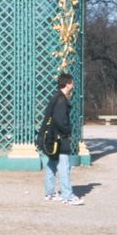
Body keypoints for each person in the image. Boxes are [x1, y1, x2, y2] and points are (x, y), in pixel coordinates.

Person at [41, 73, 84, 206]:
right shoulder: (61, 100)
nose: (73, 85)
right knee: (64, 167)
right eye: (72, 82)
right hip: (59, 139)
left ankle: (50, 193)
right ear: (68, 84)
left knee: (52, 164)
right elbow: (61, 121)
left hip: (50, 138)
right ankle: (67, 196)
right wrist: (68, 131)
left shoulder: (55, 97)